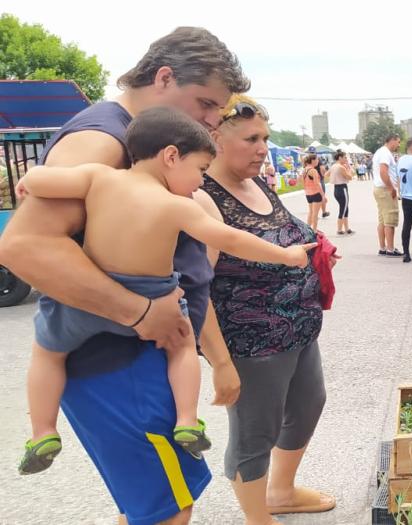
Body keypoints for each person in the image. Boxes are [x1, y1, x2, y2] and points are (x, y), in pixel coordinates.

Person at [0, 26, 249, 525]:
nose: (210, 122)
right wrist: (137, 312)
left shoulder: (141, 147)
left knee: (154, 504)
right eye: (205, 104)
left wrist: (215, 355)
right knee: (166, 511)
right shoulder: (104, 139)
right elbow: (23, 246)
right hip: (116, 364)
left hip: (134, 361)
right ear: (163, 77)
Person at [15, 108, 313, 475]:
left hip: (89, 297)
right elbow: (232, 239)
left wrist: (29, 183)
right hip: (154, 300)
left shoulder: (97, 178)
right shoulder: (176, 206)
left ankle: (42, 431)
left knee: (47, 355)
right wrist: (287, 255)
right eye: (201, 170)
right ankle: (187, 420)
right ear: (171, 156)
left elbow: (39, 178)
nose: (201, 183)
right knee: (182, 346)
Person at [193, 95, 336, 524]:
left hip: (297, 330)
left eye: (266, 138)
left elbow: (289, 232)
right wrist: (220, 362)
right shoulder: (203, 198)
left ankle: (282, 491)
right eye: (252, 138)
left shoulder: (257, 183)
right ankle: (258, 517)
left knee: (309, 404)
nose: (262, 148)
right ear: (215, 137)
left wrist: (318, 249)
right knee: (254, 433)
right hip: (252, 344)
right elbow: (197, 290)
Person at [372, 133, 402, 256]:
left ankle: (383, 247)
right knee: (390, 220)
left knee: (383, 220)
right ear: (392, 140)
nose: (398, 145)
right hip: (385, 189)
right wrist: (391, 188)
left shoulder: (380, 152)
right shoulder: (385, 153)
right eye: (398, 142)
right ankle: (390, 248)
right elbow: (383, 171)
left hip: (379, 188)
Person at [331, 150, 354, 235]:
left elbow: (326, 174)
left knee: (345, 208)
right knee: (343, 209)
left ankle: (347, 228)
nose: (346, 159)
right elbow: (350, 177)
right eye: (345, 157)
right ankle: (339, 229)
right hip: (342, 188)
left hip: (336, 188)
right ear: (340, 158)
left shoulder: (334, 166)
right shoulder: (341, 167)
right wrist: (349, 169)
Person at [301, 154, 323, 231]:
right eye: (317, 159)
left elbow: (302, 182)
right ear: (313, 160)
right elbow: (317, 184)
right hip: (315, 193)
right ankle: (314, 230)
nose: (318, 161)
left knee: (311, 212)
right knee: (315, 214)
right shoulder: (313, 170)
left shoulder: (304, 170)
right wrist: (323, 195)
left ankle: (308, 229)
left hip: (308, 194)